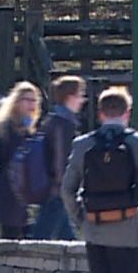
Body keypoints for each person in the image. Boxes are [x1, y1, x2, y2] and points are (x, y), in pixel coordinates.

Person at [61, 87, 138, 273]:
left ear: (100, 114)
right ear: (127, 113)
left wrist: (82, 219)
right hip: (128, 232)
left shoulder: (83, 144)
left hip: (95, 230)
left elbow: (67, 190)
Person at [30, 75, 86, 240]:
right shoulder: (64, 124)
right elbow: (61, 160)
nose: (82, 100)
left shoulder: (53, 120)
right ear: (70, 97)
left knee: (64, 236)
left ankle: (78, 262)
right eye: (80, 95)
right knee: (40, 238)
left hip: (52, 188)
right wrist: (67, 186)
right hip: (57, 190)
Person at [0, 80, 41, 239]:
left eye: (34, 100)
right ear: (16, 102)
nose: (32, 104)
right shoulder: (6, 129)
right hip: (8, 192)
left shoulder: (28, 127)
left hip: (22, 193)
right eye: (27, 100)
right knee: (12, 237)